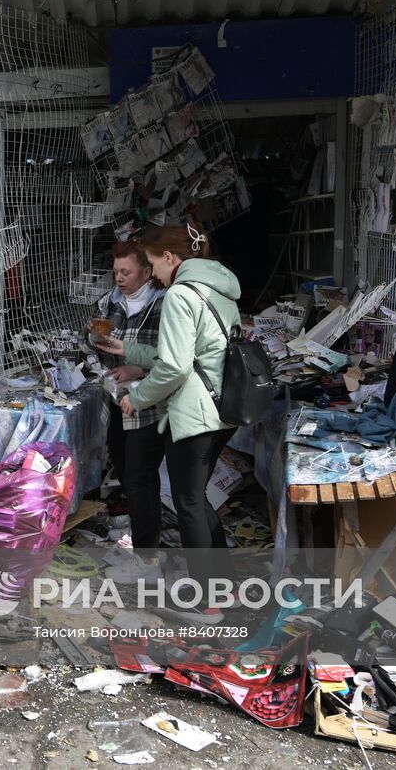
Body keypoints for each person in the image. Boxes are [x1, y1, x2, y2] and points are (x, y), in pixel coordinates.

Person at [96, 221, 242, 557]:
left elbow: (175, 367)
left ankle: (207, 600)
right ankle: (222, 587)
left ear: (168, 257)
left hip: (195, 412)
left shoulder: (180, 294)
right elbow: (189, 353)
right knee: (195, 499)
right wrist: (129, 350)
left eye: (155, 264)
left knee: (188, 503)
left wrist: (138, 397)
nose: (157, 275)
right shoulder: (217, 288)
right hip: (222, 405)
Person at [91, 242, 164, 527]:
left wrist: (139, 368)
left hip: (149, 405)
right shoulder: (111, 300)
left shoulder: (164, 303)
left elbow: (175, 357)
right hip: (115, 399)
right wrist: (93, 338)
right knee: (124, 470)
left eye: (126, 272)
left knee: (139, 477)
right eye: (115, 272)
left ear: (147, 272)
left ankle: (148, 551)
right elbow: (93, 338)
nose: (119, 278)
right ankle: (142, 532)